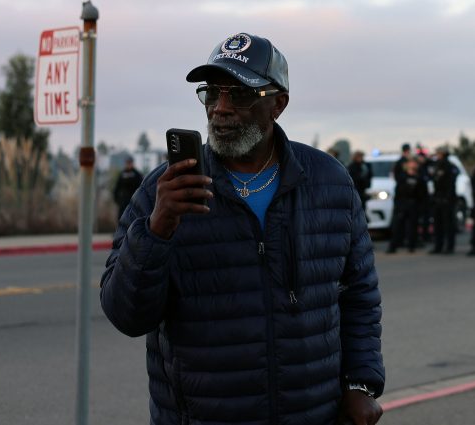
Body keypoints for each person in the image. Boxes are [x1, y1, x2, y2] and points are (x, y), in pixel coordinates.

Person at [100, 33, 384, 425]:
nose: (221, 108)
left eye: (240, 94)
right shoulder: (161, 191)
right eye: (213, 93)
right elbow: (125, 315)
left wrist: (360, 384)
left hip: (314, 413)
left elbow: (360, 295)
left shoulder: (329, 182)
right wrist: (156, 230)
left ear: (278, 104)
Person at [387, 157, 428, 254]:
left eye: (414, 163)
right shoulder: (402, 177)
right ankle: (393, 246)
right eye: (411, 163)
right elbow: (398, 192)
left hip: (413, 204)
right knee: (397, 226)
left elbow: (423, 194)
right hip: (402, 204)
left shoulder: (419, 178)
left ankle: (411, 246)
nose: (412, 165)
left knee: (412, 226)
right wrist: (397, 205)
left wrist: (421, 206)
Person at [429, 146, 460, 254]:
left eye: (439, 153)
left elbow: (451, 184)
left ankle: (449, 247)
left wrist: (448, 198)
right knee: (438, 224)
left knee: (448, 224)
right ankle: (438, 246)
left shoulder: (449, 166)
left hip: (447, 199)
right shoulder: (436, 165)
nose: (437, 155)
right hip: (438, 197)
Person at [112, 156, 143, 221]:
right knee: (121, 219)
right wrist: (117, 200)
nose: (128, 164)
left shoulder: (137, 174)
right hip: (123, 202)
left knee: (133, 219)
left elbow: (141, 188)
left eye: (130, 162)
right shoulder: (122, 174)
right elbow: (117, 188)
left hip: (134, 202)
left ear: (132, 163)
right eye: (127, 163)